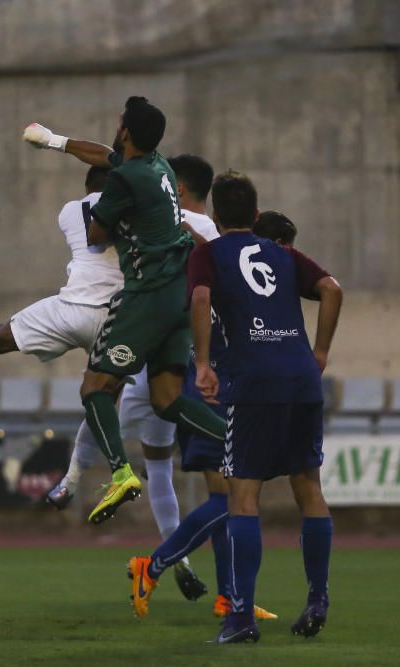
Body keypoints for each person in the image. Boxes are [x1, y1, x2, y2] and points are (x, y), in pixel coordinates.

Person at [0, 165, 206, 591]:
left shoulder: (68, 211)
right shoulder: (155, 211)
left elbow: (95, 232)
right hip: (123, 319)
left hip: (71, 309)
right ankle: (112, 474)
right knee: (107, 396)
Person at [133, 171, 342, 644]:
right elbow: (332, 288)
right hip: (301, 379)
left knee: (242, 496)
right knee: (309, 487)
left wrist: (203, 363)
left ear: (218, 215)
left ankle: (240, 616)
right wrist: (322, 351)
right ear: (254, 213)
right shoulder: (284, 254)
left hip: (253, 382)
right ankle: (318, 599)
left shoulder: (208, 254)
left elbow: (202, 296)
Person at [23, 96, 228, 524]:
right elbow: (105, 155)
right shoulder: (160, 169)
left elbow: (97, 233)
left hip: (147, 301)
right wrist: (54, 141)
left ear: (128, 131)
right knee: (167, 403)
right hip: (178, 309)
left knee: (96, 389)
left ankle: (115, 474)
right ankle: (236, 440)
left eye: (120, 122)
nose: (116, 126)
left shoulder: (124, 182)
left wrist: (113, 213)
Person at [126, 207, 304, 622]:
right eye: (283, 251)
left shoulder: (231, 272)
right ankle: (151, 566)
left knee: (226, 501)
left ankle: (229, 596)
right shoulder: (233, 270)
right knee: (231, 500)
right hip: (213, 396)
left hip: (219, 392)